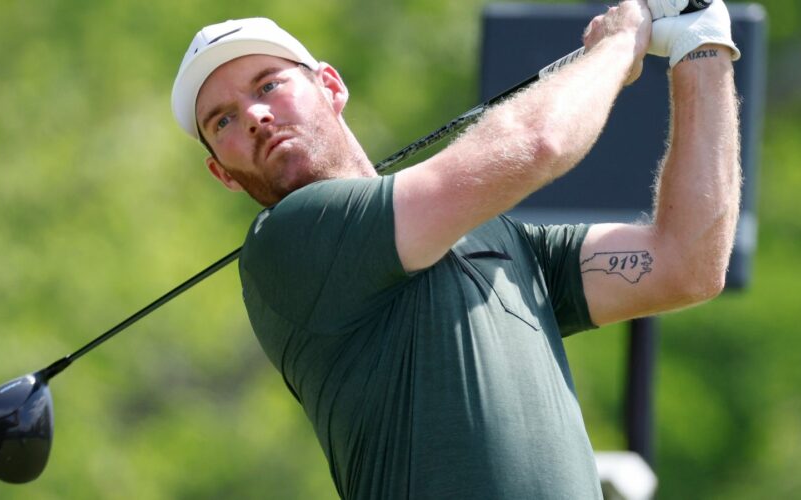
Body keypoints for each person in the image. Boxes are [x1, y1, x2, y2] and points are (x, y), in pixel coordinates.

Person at [170, 0, 740, 497]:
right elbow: (537, 143)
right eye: (223, 120)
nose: (255, 116)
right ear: (223, 174)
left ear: (331, 85)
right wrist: (619, 44)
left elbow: (686, 265)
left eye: (268, 85)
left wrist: (702, 43)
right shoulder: (289, 241)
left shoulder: (500, 236)